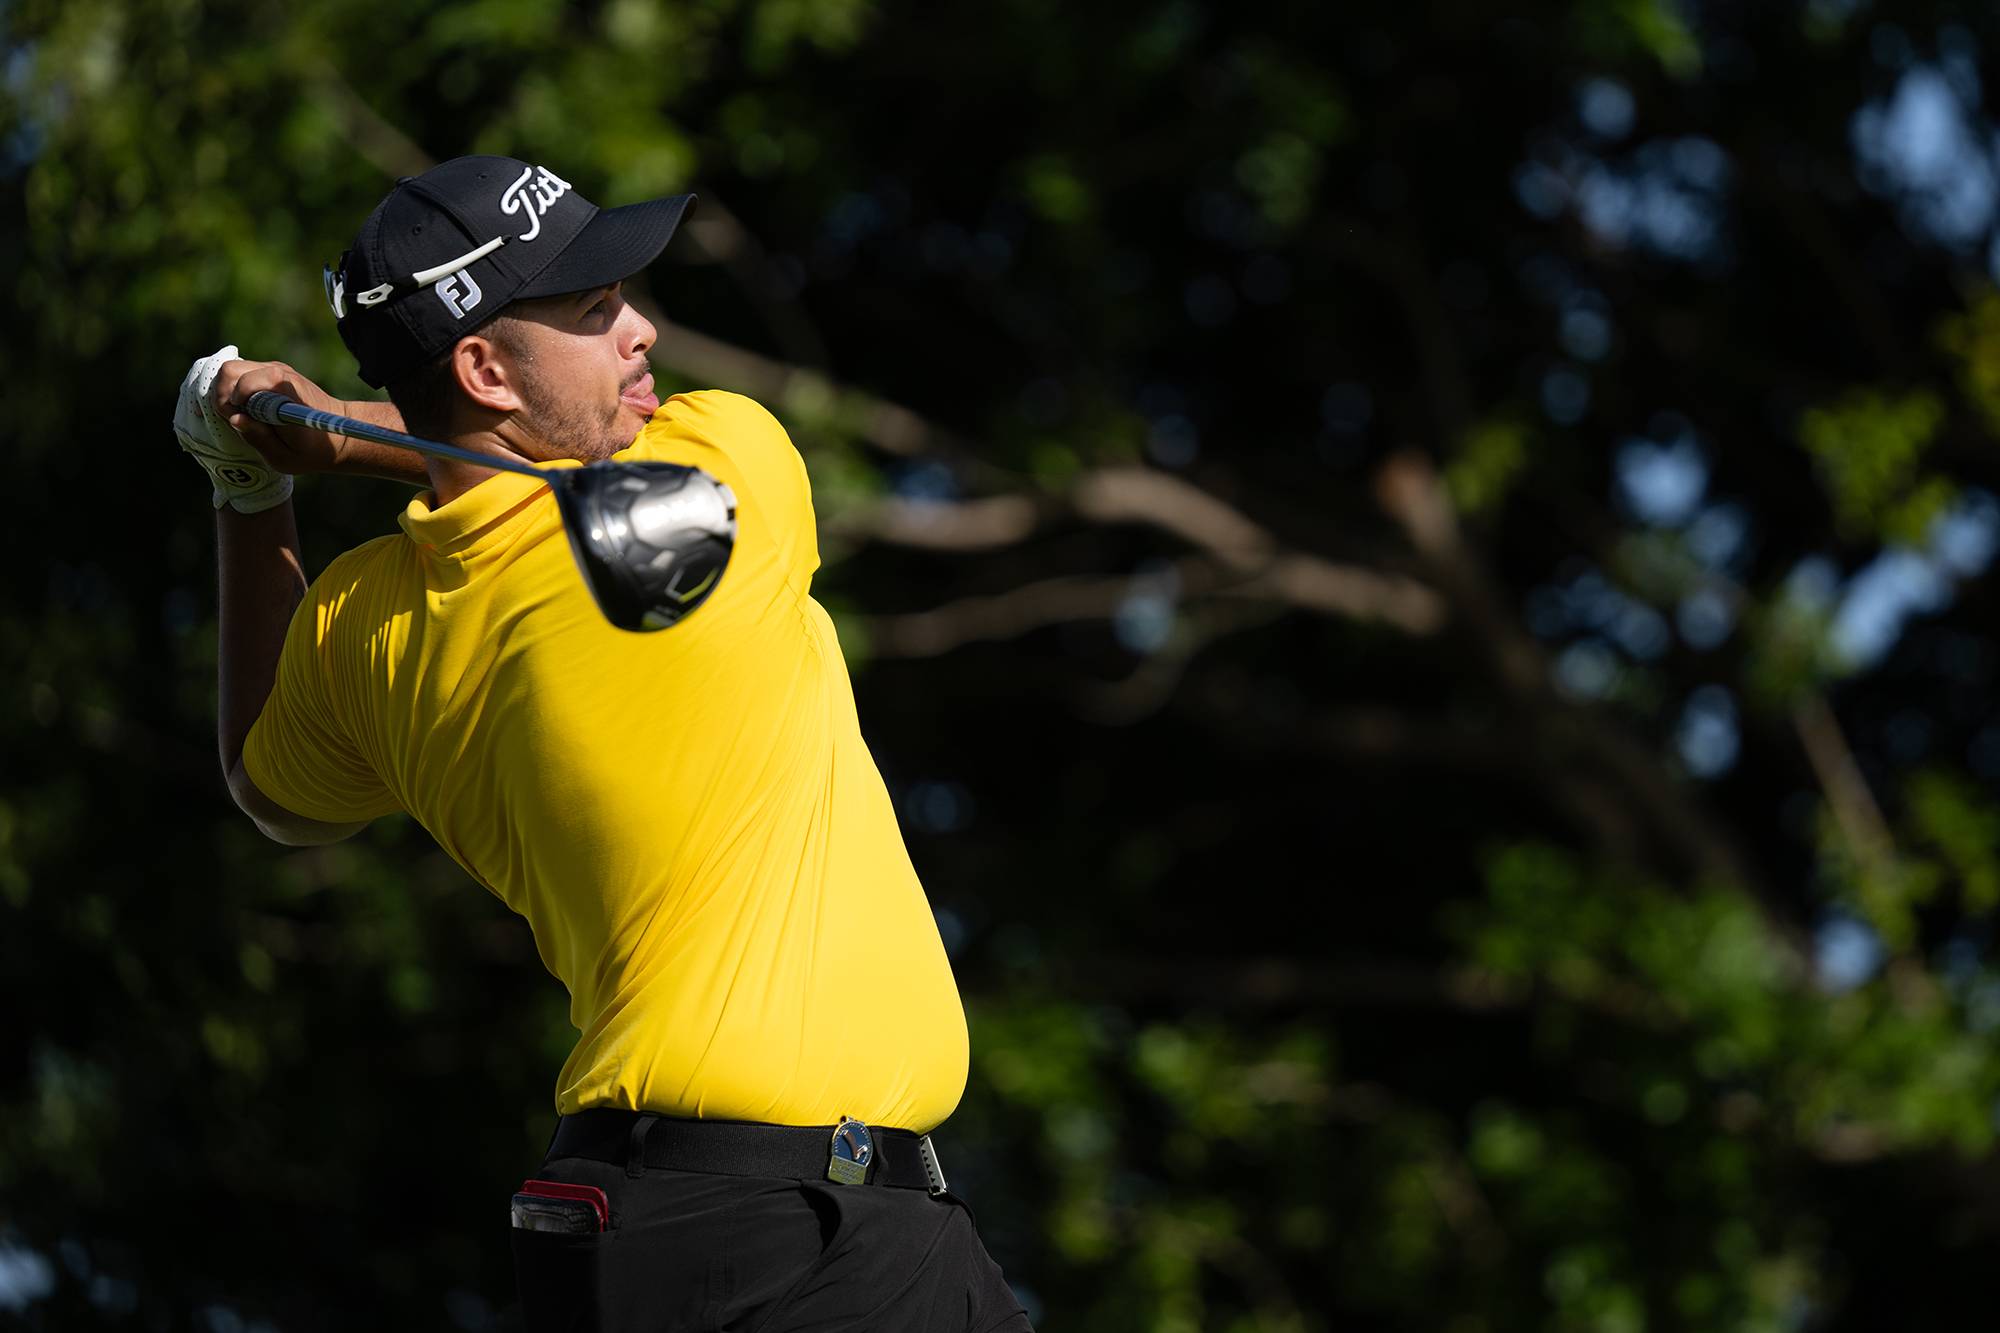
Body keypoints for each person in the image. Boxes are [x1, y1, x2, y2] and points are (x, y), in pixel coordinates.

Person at [171, 155, 1031, 1333]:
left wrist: (245, 489)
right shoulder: (722, 480)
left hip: (643, 1227)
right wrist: (339, 438)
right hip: (801, 1233)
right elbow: (528, 465)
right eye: (591, 311)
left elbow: (261, 779)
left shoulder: (365, 628)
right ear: (483, 367)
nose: (642, 331)